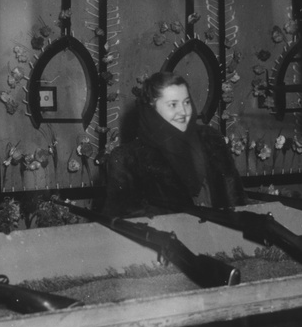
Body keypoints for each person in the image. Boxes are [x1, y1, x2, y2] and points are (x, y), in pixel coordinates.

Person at [103, 71, 245, 217]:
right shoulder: (127, 158)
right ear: (152, 109)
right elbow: (124, 223)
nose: (183, 111)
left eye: (187, 102)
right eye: (173, 104)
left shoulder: (211, 139)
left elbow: (236, 200)